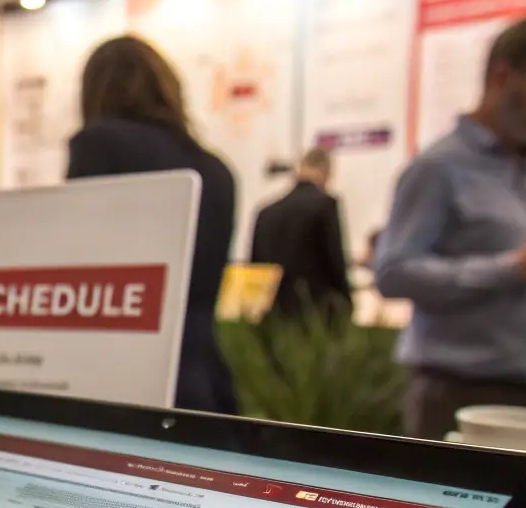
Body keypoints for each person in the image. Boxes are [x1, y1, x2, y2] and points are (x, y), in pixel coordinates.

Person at [376, 14, 526, 440]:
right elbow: (394, 272)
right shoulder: (438, 169)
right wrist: (513, 267)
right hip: (463, 398)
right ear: (503, 77)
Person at [67, 34, 238, 414]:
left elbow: (85, 271)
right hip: (204, 377)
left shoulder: (98, 145)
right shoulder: (217, 170)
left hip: (127, 381)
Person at [250, 147, 352, 320]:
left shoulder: (265, 212)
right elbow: (334, 260)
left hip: (272, 315)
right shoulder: (325, 205)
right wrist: (347, 301)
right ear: (327, 173)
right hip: (313, 314)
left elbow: (255, 267)